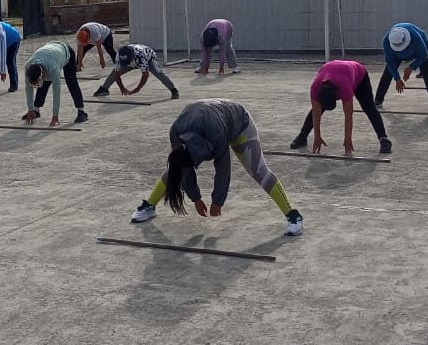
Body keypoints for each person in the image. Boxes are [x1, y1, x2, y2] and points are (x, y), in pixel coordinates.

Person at [129, 99, 303, 236]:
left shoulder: (215, 132)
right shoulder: (176, 131)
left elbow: (223, 169)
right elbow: (182, 168)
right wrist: (196, 198)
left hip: (239, 123)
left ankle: (293, 215)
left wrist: (217, 201)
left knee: (258, 170)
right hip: (208, 115)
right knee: (176, 167)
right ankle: (149, 206)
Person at [290, 59, 392, 155]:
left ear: (337, 94)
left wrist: (347, 139)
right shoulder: (315, 88)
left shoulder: (345, 88)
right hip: (336, 70)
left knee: (369, 107)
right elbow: (316, 114)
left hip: (358, 74)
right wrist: (317, 137)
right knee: (315, 110)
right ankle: (302, 137)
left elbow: (348, 116)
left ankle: (383, 138)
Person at [374, 23, 428, 111]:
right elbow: (390, 62)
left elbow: (423, 55)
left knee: (427, 72)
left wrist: (411, 67)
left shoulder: (416, 37)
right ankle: (378, 100)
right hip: (396, 55)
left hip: (417, 51)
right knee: (388, 73)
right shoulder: (386, 41)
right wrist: (397, 79)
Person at [22, 41, 89, 126]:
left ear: (42, 74)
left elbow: (56, 93)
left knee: (71, 82)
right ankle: (36, 110)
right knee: (43, 84)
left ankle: (81, 111)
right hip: (49, 50)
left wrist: (55, 116)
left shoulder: (53, 68)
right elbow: (28, 89)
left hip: (66, 52)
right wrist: (30, 110)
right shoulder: (28, 67)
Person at [93, 43, 180, 99]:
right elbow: (116, 73)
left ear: (133, 56)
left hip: (149, 57)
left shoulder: (140, 56)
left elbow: (145, 75)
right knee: (113, 72)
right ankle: (104, 89)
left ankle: (173, 90)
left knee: (158, 72)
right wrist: (122, 87)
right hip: (132, 61)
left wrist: (137, 89)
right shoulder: (119, 56)